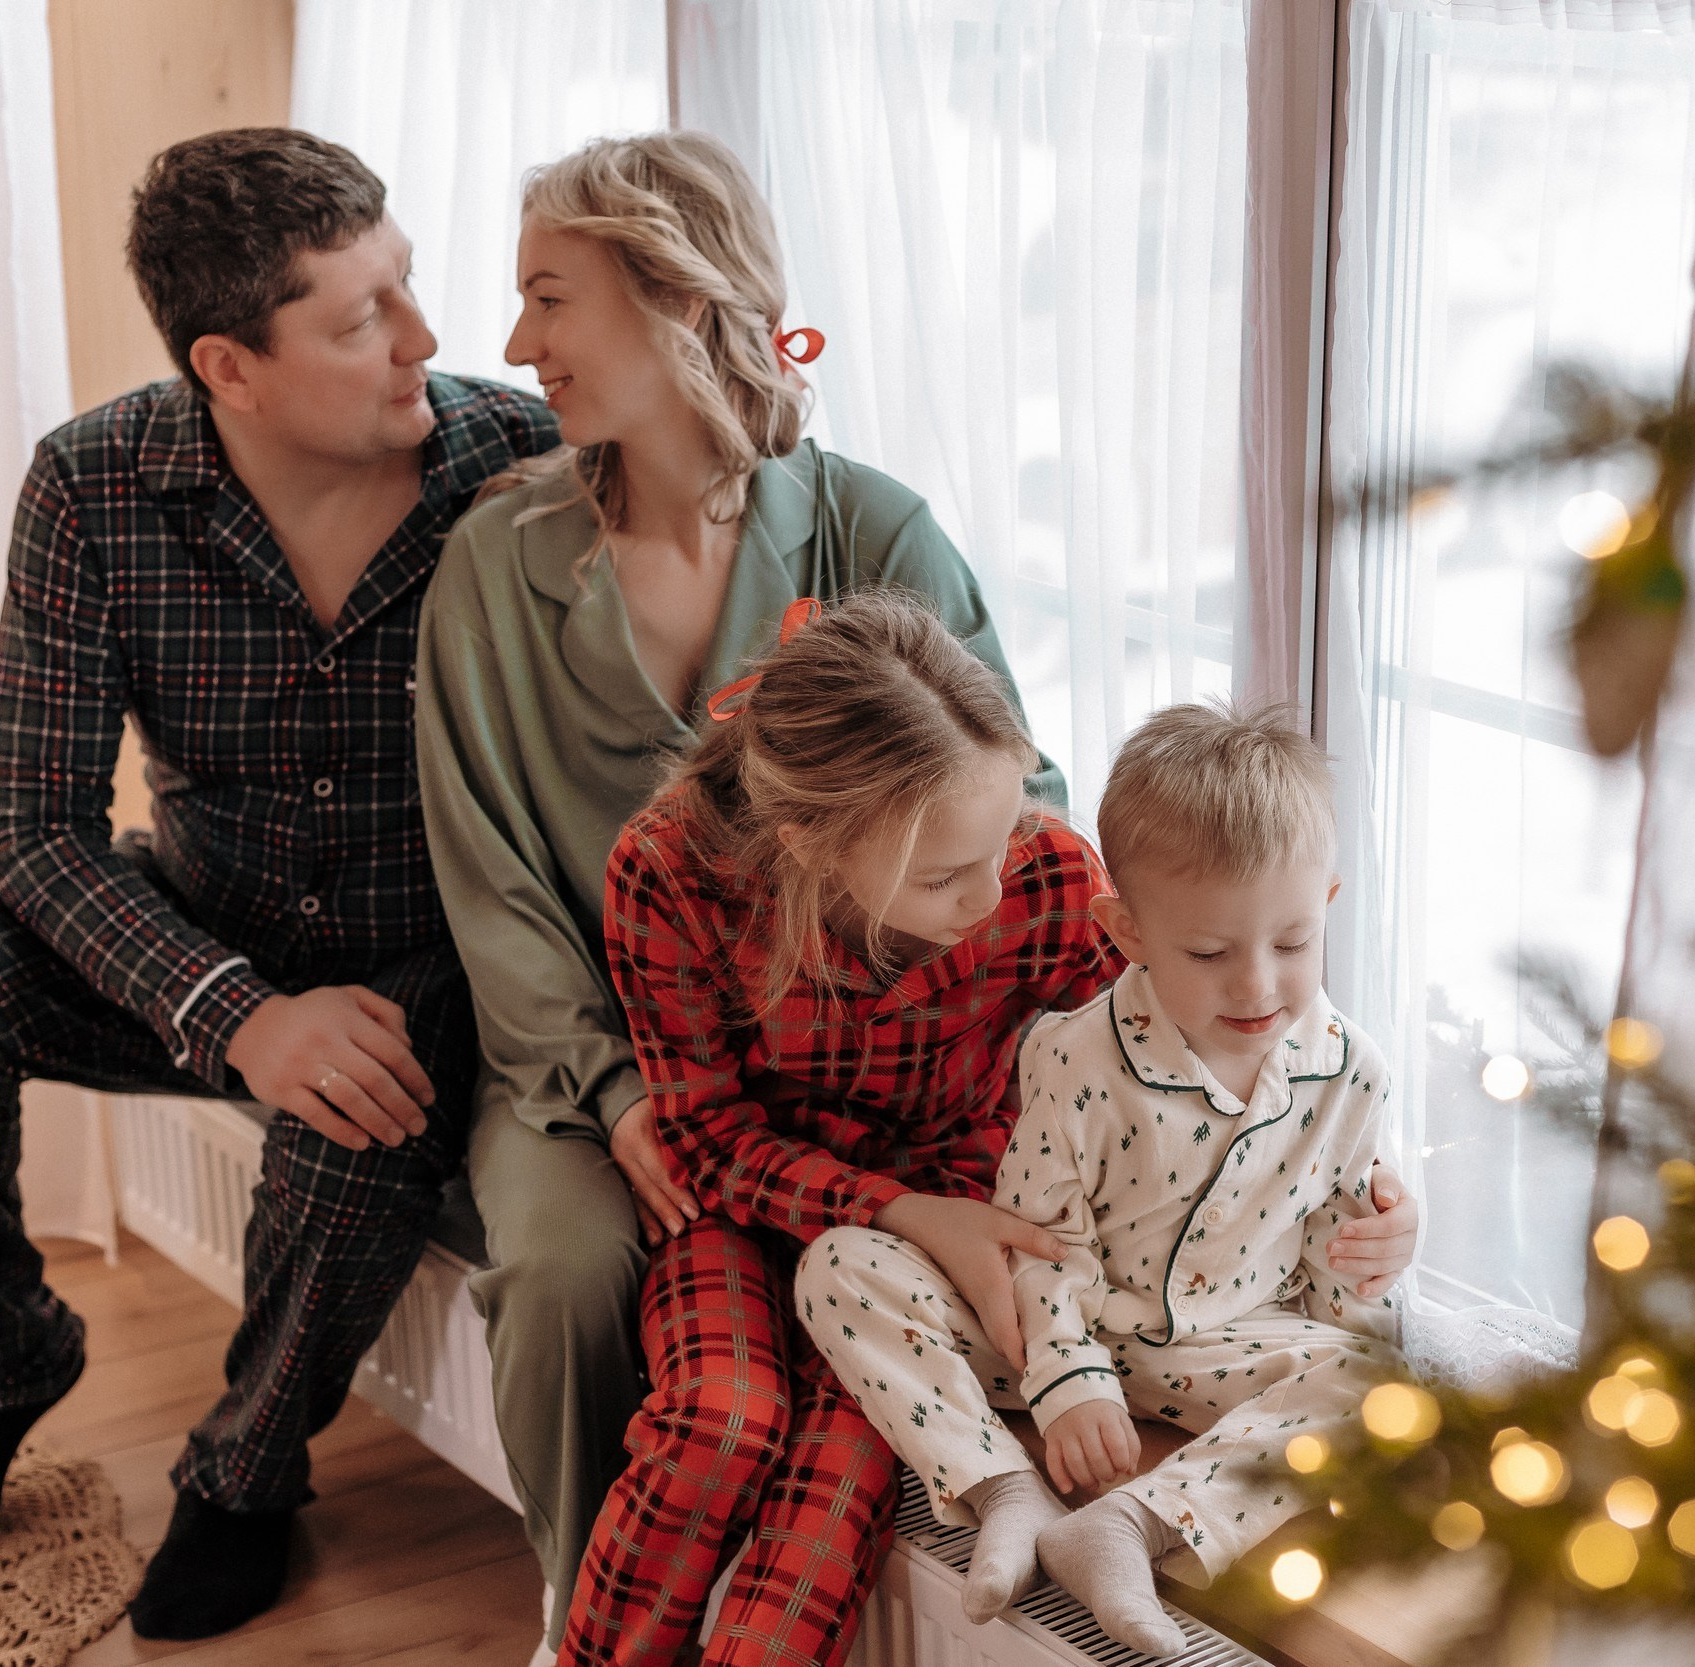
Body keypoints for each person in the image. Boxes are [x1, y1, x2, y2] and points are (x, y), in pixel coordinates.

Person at [0, 128, 557, 1641]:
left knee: (370, 1091)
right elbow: (33, 821)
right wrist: (231, 1009)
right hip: (198, 928)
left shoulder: (523, 462)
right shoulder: (95, 482)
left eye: (407, 283)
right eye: (362, 320)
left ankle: (244, 1476)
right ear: (230, 364)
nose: (426, 337)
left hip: (428, 961)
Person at [412, 131, 1071, 1653]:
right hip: (595, 1064)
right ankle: (579, 1601)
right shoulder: (492, 567)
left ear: (676, 301)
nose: (515, 347)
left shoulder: (873, 529)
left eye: (548, 298)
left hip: (872, 1073)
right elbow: (494, 887)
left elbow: (1012, 802)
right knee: (573, 1262)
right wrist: (624, 1094)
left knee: (833, 1350)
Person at [797, 700, 1405, 1655]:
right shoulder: (1078, 1060)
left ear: (1326, 903)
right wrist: (1070, 1381)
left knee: (1378, 1377)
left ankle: (1132, 1525)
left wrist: (1379, 1253)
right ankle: (1004, 1486)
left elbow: (1335, 1283)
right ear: (1125, 931)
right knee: (840, 1267)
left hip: (1224, 1354)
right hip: (1054, 1333)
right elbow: (1036, 1242)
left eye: (1290, 943)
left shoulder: (1352, 1072)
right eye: (1209, 953)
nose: (1256, 986)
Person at [589, 592, 1122, 1664]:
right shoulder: (667, 869)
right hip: (746, 1207)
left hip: (931, 1248)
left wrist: (1358, 1182)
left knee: (842, 1466)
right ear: (811, 841)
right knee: (719, 1419)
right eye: (941, 874)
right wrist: (901, 1208)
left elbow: (1164, 1071)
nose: (989, 889)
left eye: (1003, 836)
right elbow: (706, 1137)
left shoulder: (1047, 877)